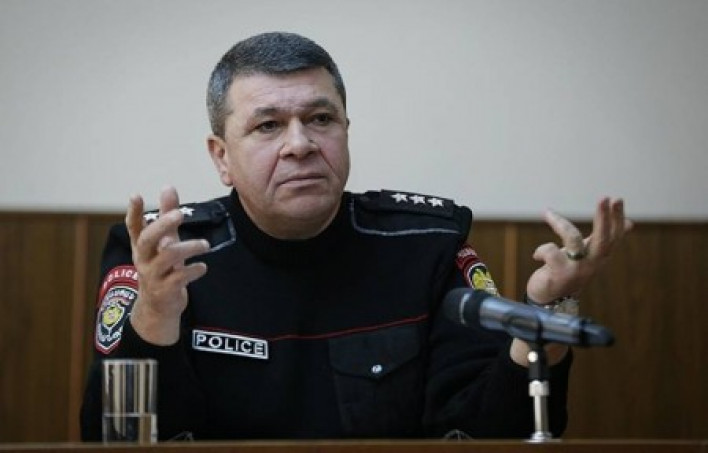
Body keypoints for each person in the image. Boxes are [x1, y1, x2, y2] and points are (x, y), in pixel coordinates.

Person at [80, 32, 631, 441]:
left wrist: (547, 309)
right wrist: (154, 319)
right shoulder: (165, 257)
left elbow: (488, 432)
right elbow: (111, 439)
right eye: (268, 126)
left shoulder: (425, 247)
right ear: (221, 156)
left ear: (345, 131)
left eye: (321, 119)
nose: (300, 144)